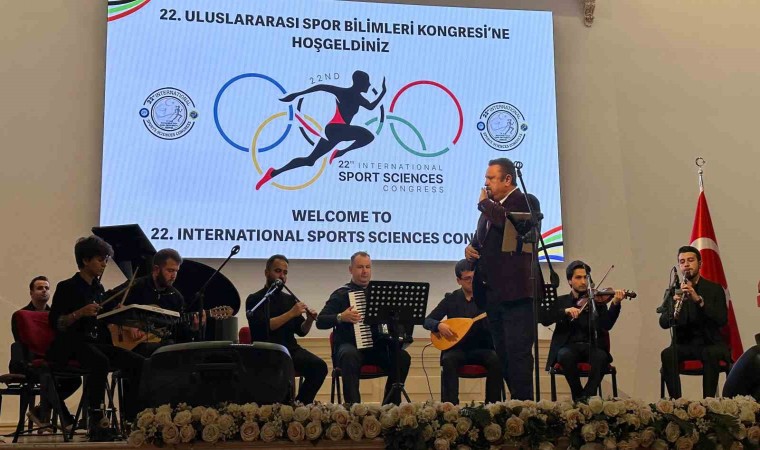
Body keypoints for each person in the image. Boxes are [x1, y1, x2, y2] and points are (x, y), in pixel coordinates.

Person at [47, 236, 144, 441]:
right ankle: (96, 419)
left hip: (94, 343)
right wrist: (79, 313)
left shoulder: (98, 289)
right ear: (85, 260)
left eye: (106, 260)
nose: (104, 264)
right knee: (100, 361)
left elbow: (100, 319)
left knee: (137, 361)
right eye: (100, 260)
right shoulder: (67, 287)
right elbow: (56, 323)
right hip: (71, 344)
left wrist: (115, 313)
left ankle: (132, 418)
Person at [464, 157, 534, 400]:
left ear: (507, 179)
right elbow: (481, 242)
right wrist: (470, 249)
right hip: (492, 294)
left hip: (516, 294)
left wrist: (485, 204)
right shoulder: (489, 210)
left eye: (491, 178)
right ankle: (516, 402)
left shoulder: (524, 200)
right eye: (486, 178)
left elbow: (513, 224)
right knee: (502, 354)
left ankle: (525, 407)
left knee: (518, 354)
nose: (486, 183)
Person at [256, 70, 387, 190]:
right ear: (359, 82)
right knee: (368, 136)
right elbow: (321, 87)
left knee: (310, 161)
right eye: (367, 82)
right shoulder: (344, 92)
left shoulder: (359, 98)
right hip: (337, 129)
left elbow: (371, 107)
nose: (369, 85)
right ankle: (340, 152)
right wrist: (297, 94)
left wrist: (383, 93)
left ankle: (273, 173)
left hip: (336, 131)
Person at [316, 251, 411, 404]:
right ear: (351, 270)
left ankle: (390, 406)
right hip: (350, 347)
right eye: (360, 267)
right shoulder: (341, 294)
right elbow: (320, 321)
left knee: (402, 357)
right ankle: (354, 409)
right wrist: (341, 317)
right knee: (349, 355)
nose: (365, 271)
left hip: (376, 348)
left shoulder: (380, 295)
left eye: (368, 267)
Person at [246, 254, 327, 404]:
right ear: (267, 273)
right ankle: (282, 408)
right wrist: (291, 313)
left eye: (285, 273)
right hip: (267, 351)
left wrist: (309, 320)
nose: (282, 276)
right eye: (278, 271)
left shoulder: (289, 299)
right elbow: (263, 327)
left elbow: (301, 331)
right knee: (281, 373)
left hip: (290, 350)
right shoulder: (255, 299)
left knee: (320, 367)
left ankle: (300, 405)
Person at [543, 261, 624, 400]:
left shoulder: (596, 301)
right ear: (570, 281)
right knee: (564, 355)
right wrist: (565, 311)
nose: (583, 281)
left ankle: (587, 396)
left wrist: (615, 304)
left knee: (601, 357)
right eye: (578, 277)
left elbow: (607, 325)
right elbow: (545, 319)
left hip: (591, 347)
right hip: (568, 347)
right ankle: (578, 394)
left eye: (585, 277)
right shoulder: (561, 301)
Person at [424, 259, 501, 404]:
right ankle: (450, 408)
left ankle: (492, 407)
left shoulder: (487, 299)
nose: (472, 282)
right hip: (457, 349)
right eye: (467, 279)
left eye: (474, 277)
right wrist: (438, 325)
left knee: (496, 360)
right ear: (458, 280)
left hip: (482, 349)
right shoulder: (451, 299)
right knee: (448, 360)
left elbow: (499, 323)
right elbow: (427, 320)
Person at [10, 276, 81, 431]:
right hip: (29, 361)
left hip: (50, 360)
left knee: (75, 379)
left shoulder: (55, 315)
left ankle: (40, 411)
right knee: (50, 376)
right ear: (31, 292)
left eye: (47, 288)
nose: (44, 291)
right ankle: (65, 418)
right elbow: (22, 343)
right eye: (39, 288)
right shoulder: (21, 315)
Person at [659, 245, 730, 398]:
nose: (686, 265)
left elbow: (721, 319)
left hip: (710, 343)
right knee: (667, 354)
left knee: (710, 353)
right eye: (682, 262)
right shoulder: (673, 291)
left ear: (700, 263)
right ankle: (677, 404)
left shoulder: (714, 289)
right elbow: (663, 323)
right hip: (684, 344)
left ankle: (708, 403)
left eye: (690, 260)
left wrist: (698, 301)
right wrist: (673, 308)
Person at [108, 248, 204, 357]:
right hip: (130, 347)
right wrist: (128, 324)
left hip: (160, 348)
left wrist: (194, 329)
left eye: (176, 271)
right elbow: (107, 302)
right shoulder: (137, 285)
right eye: (170, 271)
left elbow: (180, 332)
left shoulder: (176, 298)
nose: (173, 276)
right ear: (156, 269)